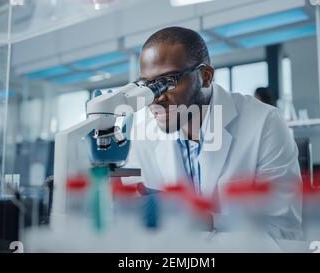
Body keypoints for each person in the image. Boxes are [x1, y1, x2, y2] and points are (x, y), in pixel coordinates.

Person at [124, 26, 302, 240]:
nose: (155, 97)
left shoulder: (265, 123)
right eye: (148, 85)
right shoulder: (143, 134)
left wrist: (205, 221)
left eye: (168, 82)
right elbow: (135, 223)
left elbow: (283, 233)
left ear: (205, 76)